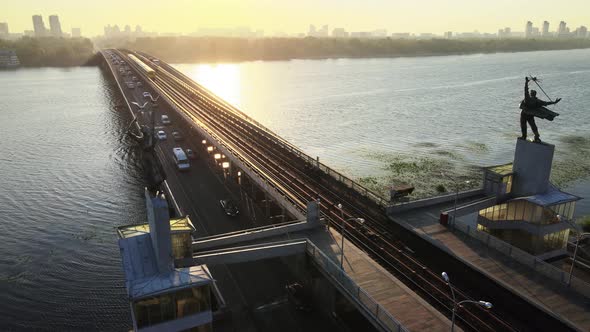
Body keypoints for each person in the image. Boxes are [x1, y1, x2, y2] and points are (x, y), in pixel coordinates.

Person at [520, 77, 561, 142]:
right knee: (532, 126)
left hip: (525, 114)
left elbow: (525, 90)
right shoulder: (537, 101)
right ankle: (536, 136)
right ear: (534, 95)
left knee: (524, 125)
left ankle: (526, 136)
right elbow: (546, 103)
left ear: (531, 94)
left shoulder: (528, 98)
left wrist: (526, 82)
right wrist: (554, 102)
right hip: (529, 114)